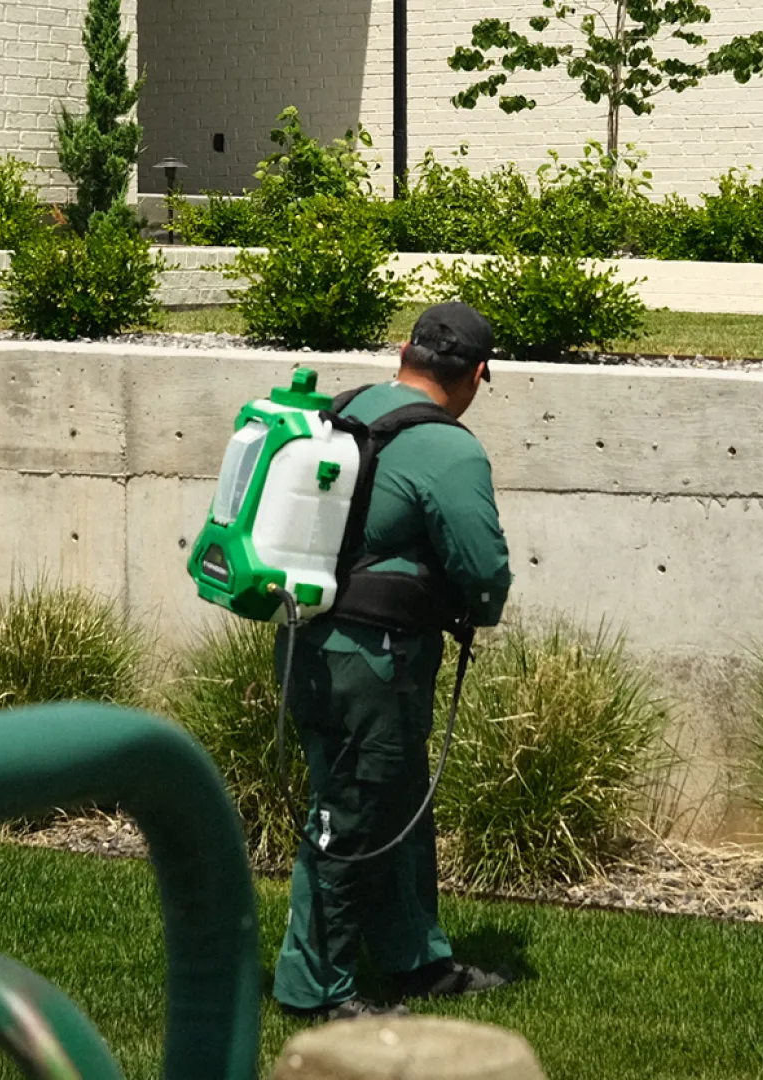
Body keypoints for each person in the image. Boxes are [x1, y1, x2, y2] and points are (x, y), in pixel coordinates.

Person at [273, 301, 516, 1021]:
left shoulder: (347, 408)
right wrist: (474, 605)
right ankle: (314, 991)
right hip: (374, 664)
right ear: (477, 373)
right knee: (350, 819)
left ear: (403, 350)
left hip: (307, 644)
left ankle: (417, 960)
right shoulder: (451, 449)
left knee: (396, 805)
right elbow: (484, 569)